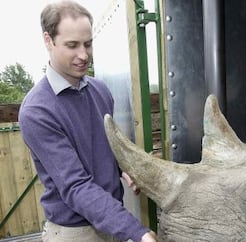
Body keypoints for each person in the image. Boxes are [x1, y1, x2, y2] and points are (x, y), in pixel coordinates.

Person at [18, 1, 157, 241]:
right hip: (76, 233)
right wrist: (137, 233)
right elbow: (76, 186)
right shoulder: (36, 111)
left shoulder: (100, 90)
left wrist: (125, 168)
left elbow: (104, 149)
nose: (84, 55)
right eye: (72, 45)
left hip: (112, 220)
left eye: (88, 44)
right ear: (48, 40)